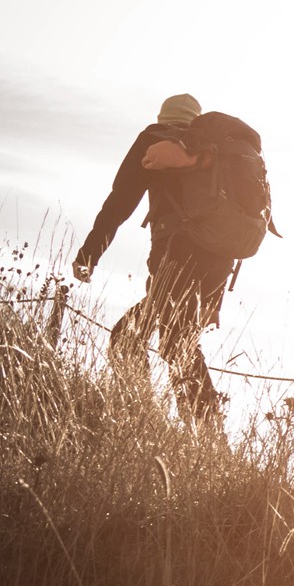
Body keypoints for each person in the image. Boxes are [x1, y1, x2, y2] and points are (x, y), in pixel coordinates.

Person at [73, 95, 267, 431]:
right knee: (153, 338)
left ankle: (201, 430)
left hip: (176, 254)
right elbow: (226, 226)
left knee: (167, 342)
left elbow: (120, 202)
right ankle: (155, 419)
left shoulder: (157, 138)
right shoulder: (214, 151)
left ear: (165, 117)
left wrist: (88, 255)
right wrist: (212, 300)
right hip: (218, 262)